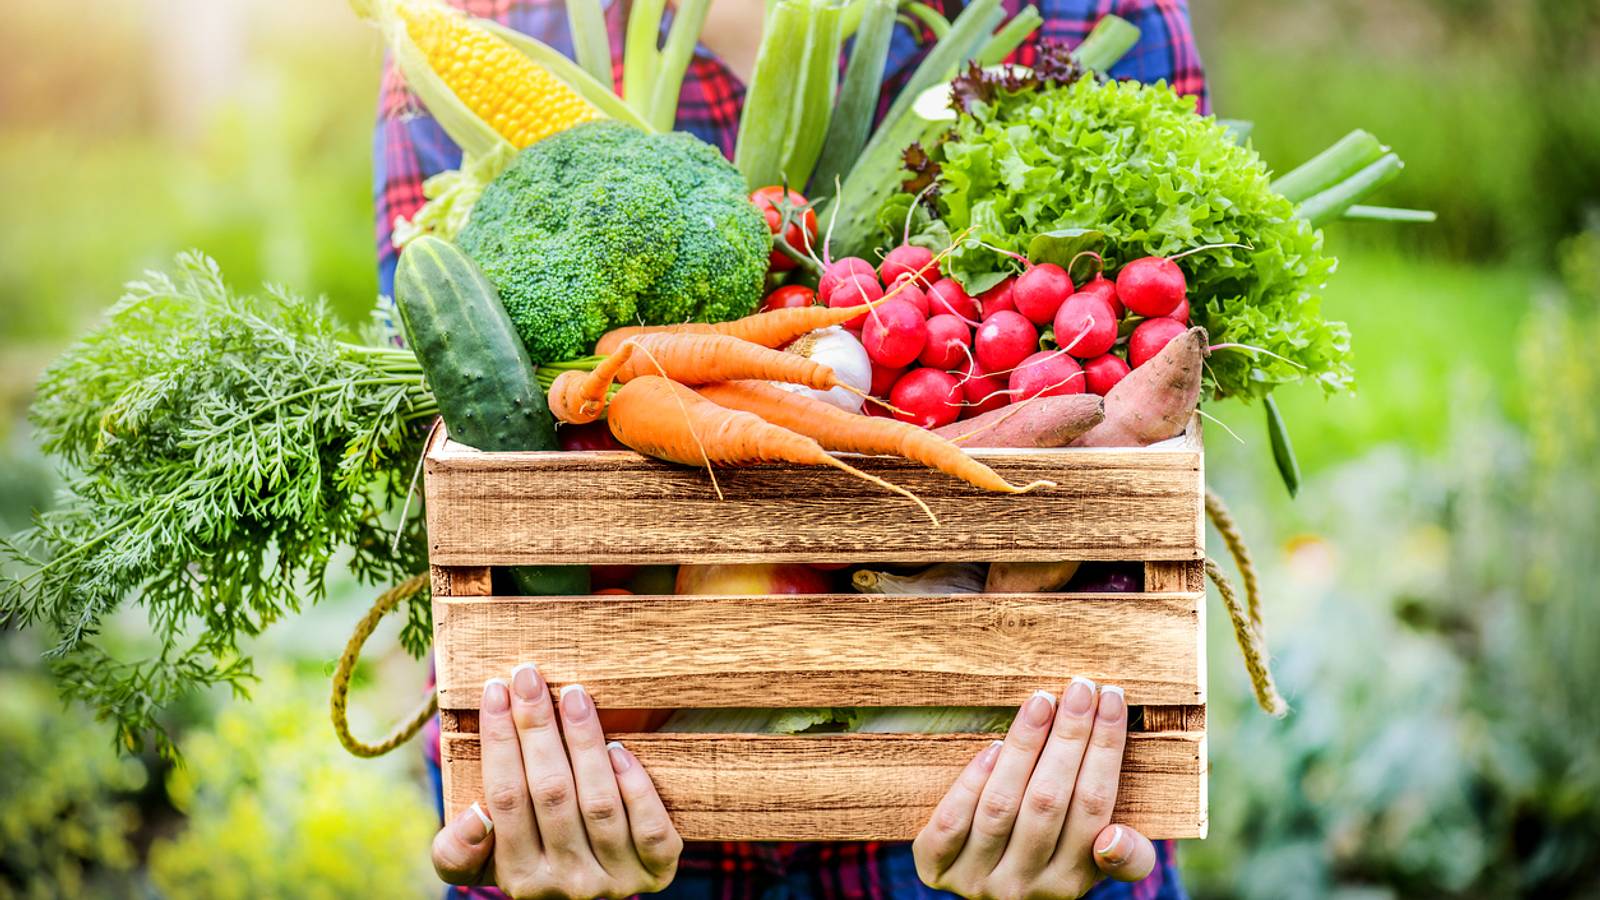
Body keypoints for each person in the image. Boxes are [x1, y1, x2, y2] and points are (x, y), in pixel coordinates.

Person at [374, 2, 1207, 897]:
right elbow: (459, 408)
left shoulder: (1094, 16)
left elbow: (1152, 448)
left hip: (991, 784)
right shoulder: (471, 26)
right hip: (581, 783)